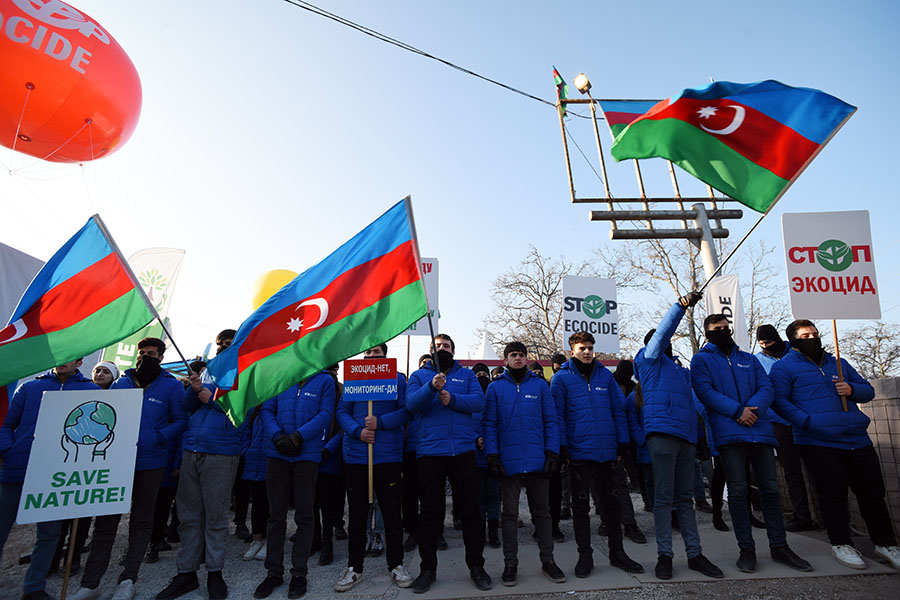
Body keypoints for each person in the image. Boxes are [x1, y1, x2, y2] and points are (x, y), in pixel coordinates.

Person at [771, 319, 900, 570]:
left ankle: (885, 543)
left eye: (815, 334)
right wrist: (805, 422)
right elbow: (779, 401)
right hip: (818, 441)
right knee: (833, 495)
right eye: (806, 335)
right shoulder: (784, 368)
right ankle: (841, 542)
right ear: (794, 340)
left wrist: (850, 389)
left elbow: (867, 391)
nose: (813, 338)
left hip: (856, 437)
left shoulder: (838, 363)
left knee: (872, 493)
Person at [68, 339, 187, 600]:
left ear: (161, 357)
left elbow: (180, 421)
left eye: (151, 354)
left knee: (142, 521)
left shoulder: (171, 386)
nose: (145, 358)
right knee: (105, 521)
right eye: (142, 354)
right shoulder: (121, 382)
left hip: (151, 462)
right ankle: (91, 582)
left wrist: (157, 438)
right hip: (118, 462)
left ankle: (128, 579)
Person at [691, 315, 812, 573]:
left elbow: (766, 387)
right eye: (717, 329)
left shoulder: (749, 358)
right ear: (708, 332)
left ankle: (779, 546)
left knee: (769, 489)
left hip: (759, 430)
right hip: (730, 433)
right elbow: (705, 392)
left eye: (726, 328)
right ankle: (746, 549)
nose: (723, 332)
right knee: (737, 491)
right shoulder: (701, 360)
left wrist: (752, 409)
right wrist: (737, 411)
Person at [634, 292, 723, 581]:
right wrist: (680, 307)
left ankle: (695, 554)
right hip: (661, 435)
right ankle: (665, 556)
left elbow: (695, 405)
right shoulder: (647, 362)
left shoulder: (681, 372)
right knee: (663, 499)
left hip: (685, 438)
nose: (667, 342)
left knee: (685, 499)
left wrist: (700, 438)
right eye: (662, 339)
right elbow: (661, 336)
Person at [0, 359, 99, 600]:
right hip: (17, 469)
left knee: (49, 534)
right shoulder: (30, 388)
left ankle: (34, 587)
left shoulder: (91, 391)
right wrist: (9, 452)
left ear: (79, 362)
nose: (63, 362)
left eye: (70, 358)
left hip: (55, 475)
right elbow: (6, 425)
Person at [155, 330, 241, 600]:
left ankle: (215, 573)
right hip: (192, 449)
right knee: (189, 515)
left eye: (229, 344)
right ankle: (186, 574)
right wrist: (194, 389)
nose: (224, 348)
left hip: (222, 452)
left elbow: (243, 412)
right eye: (221, 345)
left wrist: (211, 398)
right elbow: (187, 406)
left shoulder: (247, 371)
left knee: (215, 516)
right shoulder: (207, 373)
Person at [551, 331, 642, 578]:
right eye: (582, 348)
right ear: (573, 351)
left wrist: (622, 442)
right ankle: (585, 556)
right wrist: (562, 446)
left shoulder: (606, 377)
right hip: (579, 452)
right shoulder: (561, 379)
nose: (588, 352)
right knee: (580, 507)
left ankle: (617, 553)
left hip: (608, 452)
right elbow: (557, 415)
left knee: (612, 505)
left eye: (590, 347)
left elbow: (618, 410)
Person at [405, 333, 491, 593]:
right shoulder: (419, 376)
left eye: (445, 346)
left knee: (471, 511)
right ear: (430, 351)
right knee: (430, 513)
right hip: (431, 452)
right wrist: (431, 387)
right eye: (437, 346)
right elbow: (411, 405)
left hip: (462, 451)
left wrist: (452, 399)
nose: (441, 349)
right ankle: (427, 569)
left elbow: (479, 402)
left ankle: (476, 566)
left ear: (453, 350)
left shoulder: (465, 375)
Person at [484, 341, 565, 586]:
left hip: (537, 459)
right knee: (509, 515)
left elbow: (551, 421)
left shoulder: (540, 386)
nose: (518, 358)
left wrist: (552, 453)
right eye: (513, 355)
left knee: (542, 514)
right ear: (505, 359)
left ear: (526, 358)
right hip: (508, 461)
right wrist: (492, 455)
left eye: (521, 355)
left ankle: (548, 561)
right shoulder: (494, 389)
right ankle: (511, 565)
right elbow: (489, 424)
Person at [333, 344, 413, 591]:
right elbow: (342, 412)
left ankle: (396, 565)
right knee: (357, 516)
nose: (370, 356)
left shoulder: (396, 379)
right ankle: (354, 568)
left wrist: (381, 422)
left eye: (376, 352)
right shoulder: (353, 379)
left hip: (387, 457)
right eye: (367, 352)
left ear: (384, 355)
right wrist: (358, 432)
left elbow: (406, 411)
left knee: (391, 514)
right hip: (357, 457)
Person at [253, 367, 336, 599]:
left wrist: (298, 437)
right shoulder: (280, 374)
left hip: (306, 455)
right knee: (276, 516)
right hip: (277, 453)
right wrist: (277, 436)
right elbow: (267, 409)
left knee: (304, 515)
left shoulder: (324, 381)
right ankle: (273, 573)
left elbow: (325, 414)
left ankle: (299, 574)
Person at [51, 361, 120, 575]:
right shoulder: (79, 393)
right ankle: (51, 559)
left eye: (106, 371)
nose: (100, 374)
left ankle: (73, 559)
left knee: (82, 517)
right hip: (68, 463)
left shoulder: (118, 400)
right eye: (97, 370)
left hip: (97, 466)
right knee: (60, 515)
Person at [754, 324, 815, 532]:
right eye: (761, 344)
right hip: (779, 423)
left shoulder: (799, 353)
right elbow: (761, 392)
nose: (765, 346)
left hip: (806, 419)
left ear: (777, 339)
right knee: (792, 471)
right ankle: (802, 516)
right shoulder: (758, 361)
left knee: (818, 469)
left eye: (769, 342)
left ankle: (825, 515)